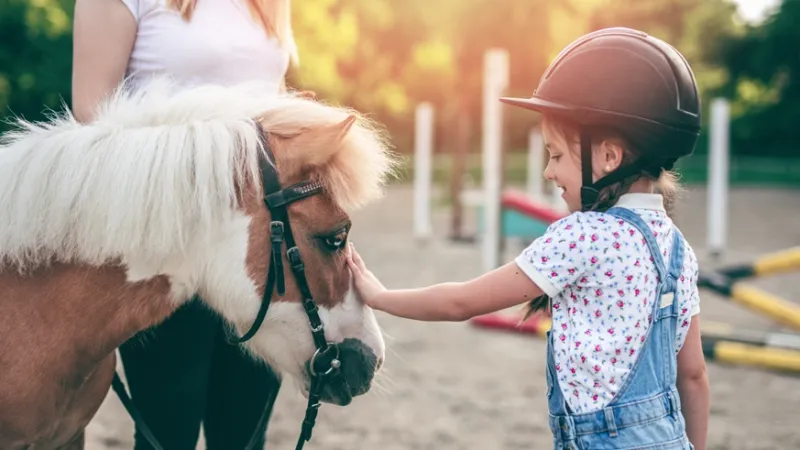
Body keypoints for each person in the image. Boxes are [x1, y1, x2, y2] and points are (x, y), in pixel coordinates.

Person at [347, 27, 710, 450]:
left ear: (610, 157)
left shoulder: (584, 235)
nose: (547, 172)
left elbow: (461, 302)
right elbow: (694, 376)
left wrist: (379, 296)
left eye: (556, 155)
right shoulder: (678, 250)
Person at [71, 0, 301, 448]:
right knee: (167, 432)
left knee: (245, 435)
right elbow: (93, 120)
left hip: (260, 245)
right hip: (168, 243)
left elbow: (270, 105)